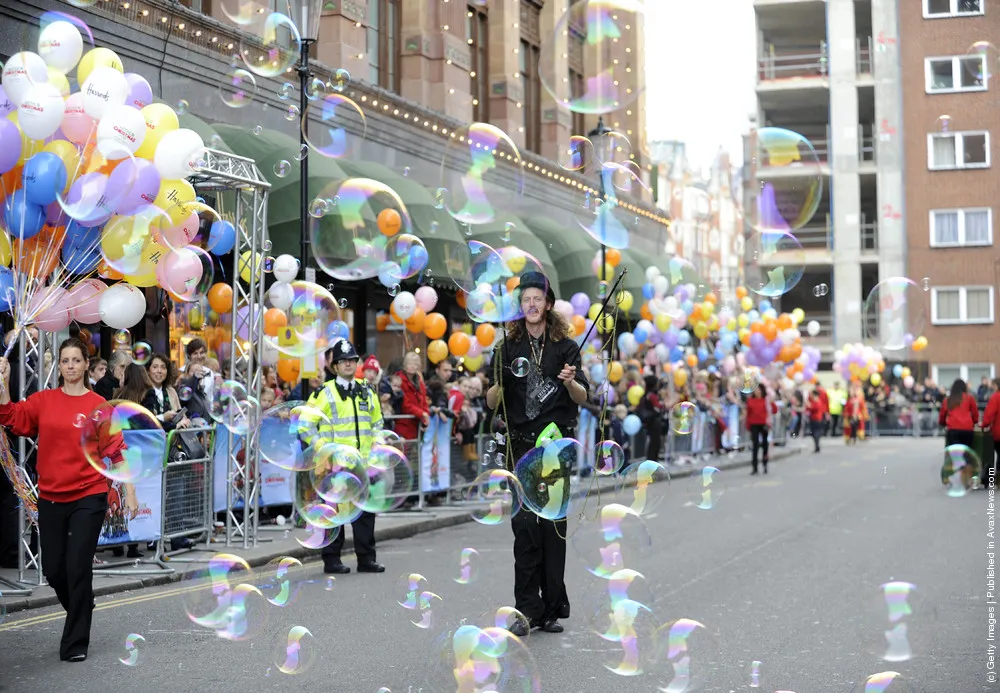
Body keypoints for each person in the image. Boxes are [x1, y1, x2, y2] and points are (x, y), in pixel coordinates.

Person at [0, 338, 134, 662]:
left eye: (77, 360)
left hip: (89, 495)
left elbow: (116, 451)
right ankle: (82, 602)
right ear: (58, 366)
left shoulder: (99, 404)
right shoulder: (44, 400)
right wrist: (3, 383)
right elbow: (13, 418)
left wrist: (129, 490)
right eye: (65, 361)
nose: (71, 366)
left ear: (87, 365)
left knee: (77, 567)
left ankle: (75, 643)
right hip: (51, 497)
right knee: (54, 570)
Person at [486, 271, 588, 636]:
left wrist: (570, 381)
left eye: (537, 298)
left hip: (556, 449)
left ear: (548, 304)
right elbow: (491, 402)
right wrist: (498, 382)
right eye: (525, 299)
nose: (531, 304)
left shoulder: (565, 347)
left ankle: (551, 608)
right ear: (520, 306)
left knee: (551, 529)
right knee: (525, 528)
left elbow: (582, 397)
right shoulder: (506, 348)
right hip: (521, 446)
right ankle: (527, 610)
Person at [304, 339, 386, 575]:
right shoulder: (323, 393)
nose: (348, 364)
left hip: (362, 464)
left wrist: (377, 445)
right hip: (335, 465)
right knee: (333, 512)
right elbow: (305, 425)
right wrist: (323, 449)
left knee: (364, 514)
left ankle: (366, 559)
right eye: (343, 361)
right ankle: (332, 560)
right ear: (335, 366)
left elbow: (377, 423)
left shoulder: (367, 390)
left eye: (352, 360)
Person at [746, 384, 776, 474]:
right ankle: (755, 467)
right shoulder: (751, 400)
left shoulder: (766, 400)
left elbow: (774, 410)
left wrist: (771, 402)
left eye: (759, 390)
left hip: (764, 424)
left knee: (765, 445)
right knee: (755, 445)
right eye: (756, 390)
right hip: (754, 424)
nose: (758, 392)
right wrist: (748, 425)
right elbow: (748, 414)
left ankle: (765, 464)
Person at [980, 377, 1000, 483]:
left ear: (996, 386)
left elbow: (989, 414)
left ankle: (997, 479)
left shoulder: (995, 397)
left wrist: (983, 425)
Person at [806, 389, 826, 453]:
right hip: (813, 419)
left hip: (816, 419)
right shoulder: (814, 401)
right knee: (813, 433)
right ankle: (816, 445)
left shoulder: (817, 401)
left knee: (815, 432)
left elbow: (814, 408)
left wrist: (809, 405)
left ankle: (817, 445)